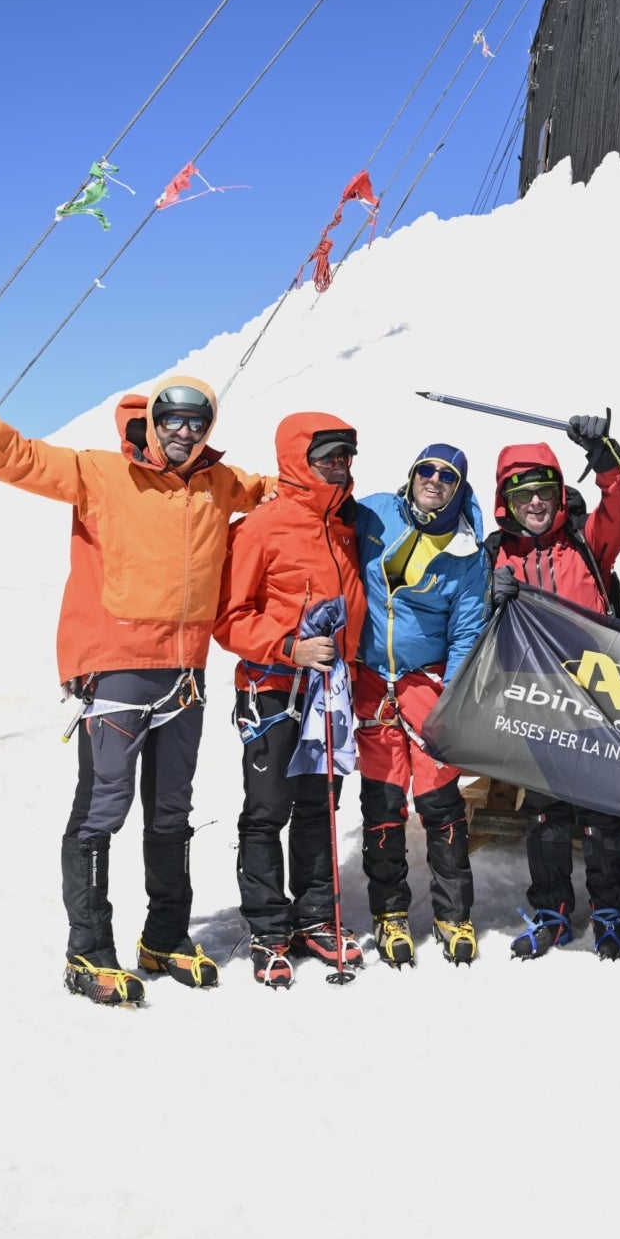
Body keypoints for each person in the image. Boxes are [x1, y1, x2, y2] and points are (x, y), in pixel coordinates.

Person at [0, 338, 272, 1008]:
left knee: (171, 810)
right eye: (173, 418)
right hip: (117, 667)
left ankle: (164, 938)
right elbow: (14, 456)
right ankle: (88, 950)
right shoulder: (99, 473)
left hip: (185, 672)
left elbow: (277, 493)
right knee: (105, 807)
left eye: (197, 421)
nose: (184, 431)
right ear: (152, 419)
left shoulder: (221, 483)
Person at [214, 415, 370, 986]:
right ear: (298, 459)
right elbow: (228, 618)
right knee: (266, 811)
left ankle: (315, 917)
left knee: (318, 808)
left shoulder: (345, 525)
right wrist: (288, 648)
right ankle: (267, 925)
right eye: (328, 455)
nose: (340, 466)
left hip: (329, 693)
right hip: (273, 688)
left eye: (346, 456)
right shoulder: (260, 527)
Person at [483, 415, 620, 960]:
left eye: (545, 491)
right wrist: (489, 597)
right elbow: (473, 628)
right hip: (536, 701)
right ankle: (551, 910)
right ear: (506, 498)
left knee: (600, 815)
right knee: (545, 815)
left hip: (595, 697)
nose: (536, 502)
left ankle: (608, 910)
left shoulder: (584, 544)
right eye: (523, 493)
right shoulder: (495, 555)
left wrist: (603, 457)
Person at [352, 443, 490, 968]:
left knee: (439, 799)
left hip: (424, 682)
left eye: (447, 476)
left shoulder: (465, 551)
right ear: (411, 475)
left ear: (459, 488)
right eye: (427, 470)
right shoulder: (374, 512)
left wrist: (451, 697)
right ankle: (389, 913)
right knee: (383, 800)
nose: (434, 480)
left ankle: (454, 914)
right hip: (369, 679)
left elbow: (466, 630)